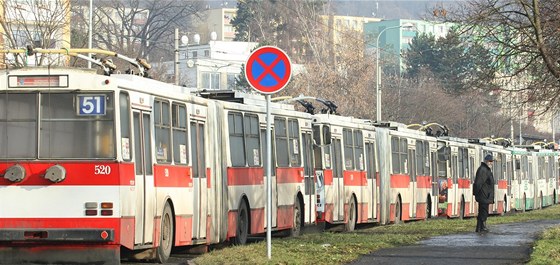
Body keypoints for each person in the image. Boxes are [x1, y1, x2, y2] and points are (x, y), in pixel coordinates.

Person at [473, 154, 495, 233]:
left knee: (482, 211)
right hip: (484, 195)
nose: (491, 163)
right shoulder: (483, 170)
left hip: (485, 195)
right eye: (490, 161)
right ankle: (482, 227)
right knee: (483, 211)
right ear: (486, 161)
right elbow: (479, 183)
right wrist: (476, 193)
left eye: (492, 161)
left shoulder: (486, 169)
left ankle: (479, 227)